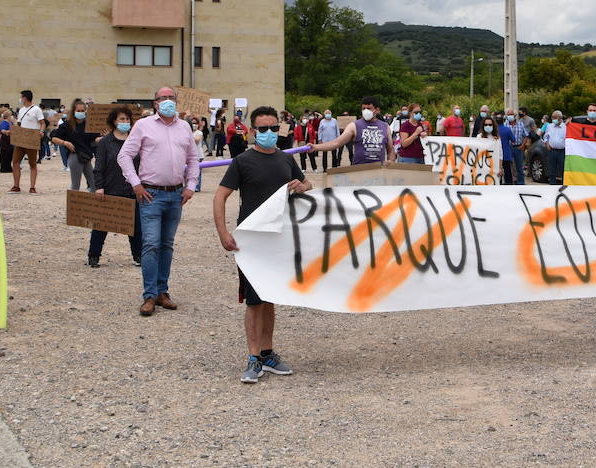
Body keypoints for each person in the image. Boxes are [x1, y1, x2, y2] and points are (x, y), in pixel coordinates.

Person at [215, 105, 314, 383]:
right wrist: (223, 233)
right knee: (254, 301)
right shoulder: (242, 161)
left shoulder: (285, 159)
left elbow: (308, 186)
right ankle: (253, 357)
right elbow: (220, 196)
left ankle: (268, 353)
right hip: (252, 243)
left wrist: (302, 186)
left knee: (270, 297)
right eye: (262, 129)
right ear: (252, 131)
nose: (268, 133)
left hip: (279, 240)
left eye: (273, 128)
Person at [117, 86, 200, 316]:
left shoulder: (184, 127)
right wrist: (135, 183)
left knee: (166, 245)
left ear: (177, 101)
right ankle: (149, 295)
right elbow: (124, 155)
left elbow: (193, 158)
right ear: (155, 103)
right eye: (162, 98)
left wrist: (191, 185)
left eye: (171, 97)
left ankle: (163, 292)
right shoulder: (143, 125)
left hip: (176, 194)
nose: (167, 101)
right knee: (151, 244)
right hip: (150, 194)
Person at [89, 105, 142, 268]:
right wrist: (99, 187)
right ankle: (94, 255)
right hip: (111, 188)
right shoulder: (105, 143)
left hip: (132, 189)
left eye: (127, 119)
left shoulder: (136, 141)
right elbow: (99, 167)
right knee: (101, 224)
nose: (125, 122)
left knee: (136, 226)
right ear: (114, 121)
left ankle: (138, 255)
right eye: (122, 119)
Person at [312, 97, 397, 166]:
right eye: (363, 108)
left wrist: (391, 161)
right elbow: (337, 143)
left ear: (377, 110)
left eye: (369, 108)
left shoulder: (385, 127)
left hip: (379, 170)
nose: (365, 111)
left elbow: (390, 150)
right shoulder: (354, 126)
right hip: (358, 171)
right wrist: (316, 147)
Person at [51, 99, 96, 191]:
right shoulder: (67, 125)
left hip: (86, 157)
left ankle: (93, 204)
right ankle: (73, 205)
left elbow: (95, 139)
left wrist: (106, 137)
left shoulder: (89, 125)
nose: (80, 113)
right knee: (75, 185)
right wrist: (65, 143)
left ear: (86, 111)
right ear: (74, 111)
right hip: (75, 156)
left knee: (94, 184)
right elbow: (54, 138)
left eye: (82, 111)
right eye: (78, 111)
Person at [9, 90, 47, 192]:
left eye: (21, 97)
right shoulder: (21, 110)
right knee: (15, 162)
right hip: (21, 140)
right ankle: (16, 186)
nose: (20, 99)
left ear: (25, 98)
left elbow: (42, 123)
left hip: (31, 139)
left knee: (32, 164)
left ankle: (32, 187)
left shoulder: (36, 109)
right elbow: (19, 124)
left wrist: (41, 131)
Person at [498, 109, 525, 185]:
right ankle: (511, 182)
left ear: (515, 115)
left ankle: (520, 183)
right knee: (508, 168)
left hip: (518, 147)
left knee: (519, 167)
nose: (510, 116)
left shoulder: (520, 124)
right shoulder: (505, 125)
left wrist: (522, 146)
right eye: (508, 114)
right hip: (507, 148)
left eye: (511, 114)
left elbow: (526, 135)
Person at [543, 110, 567, 185]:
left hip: (562, 151)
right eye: (552, 117)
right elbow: (546, 136)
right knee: (551, 170)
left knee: (563, 169)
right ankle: (552, 184)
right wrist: (547, 144)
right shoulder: (550, 126)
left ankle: (564, 185)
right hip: (551, 151)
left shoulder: (566, 127)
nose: (553, 119)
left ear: (560, 118)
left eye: (555, 117)